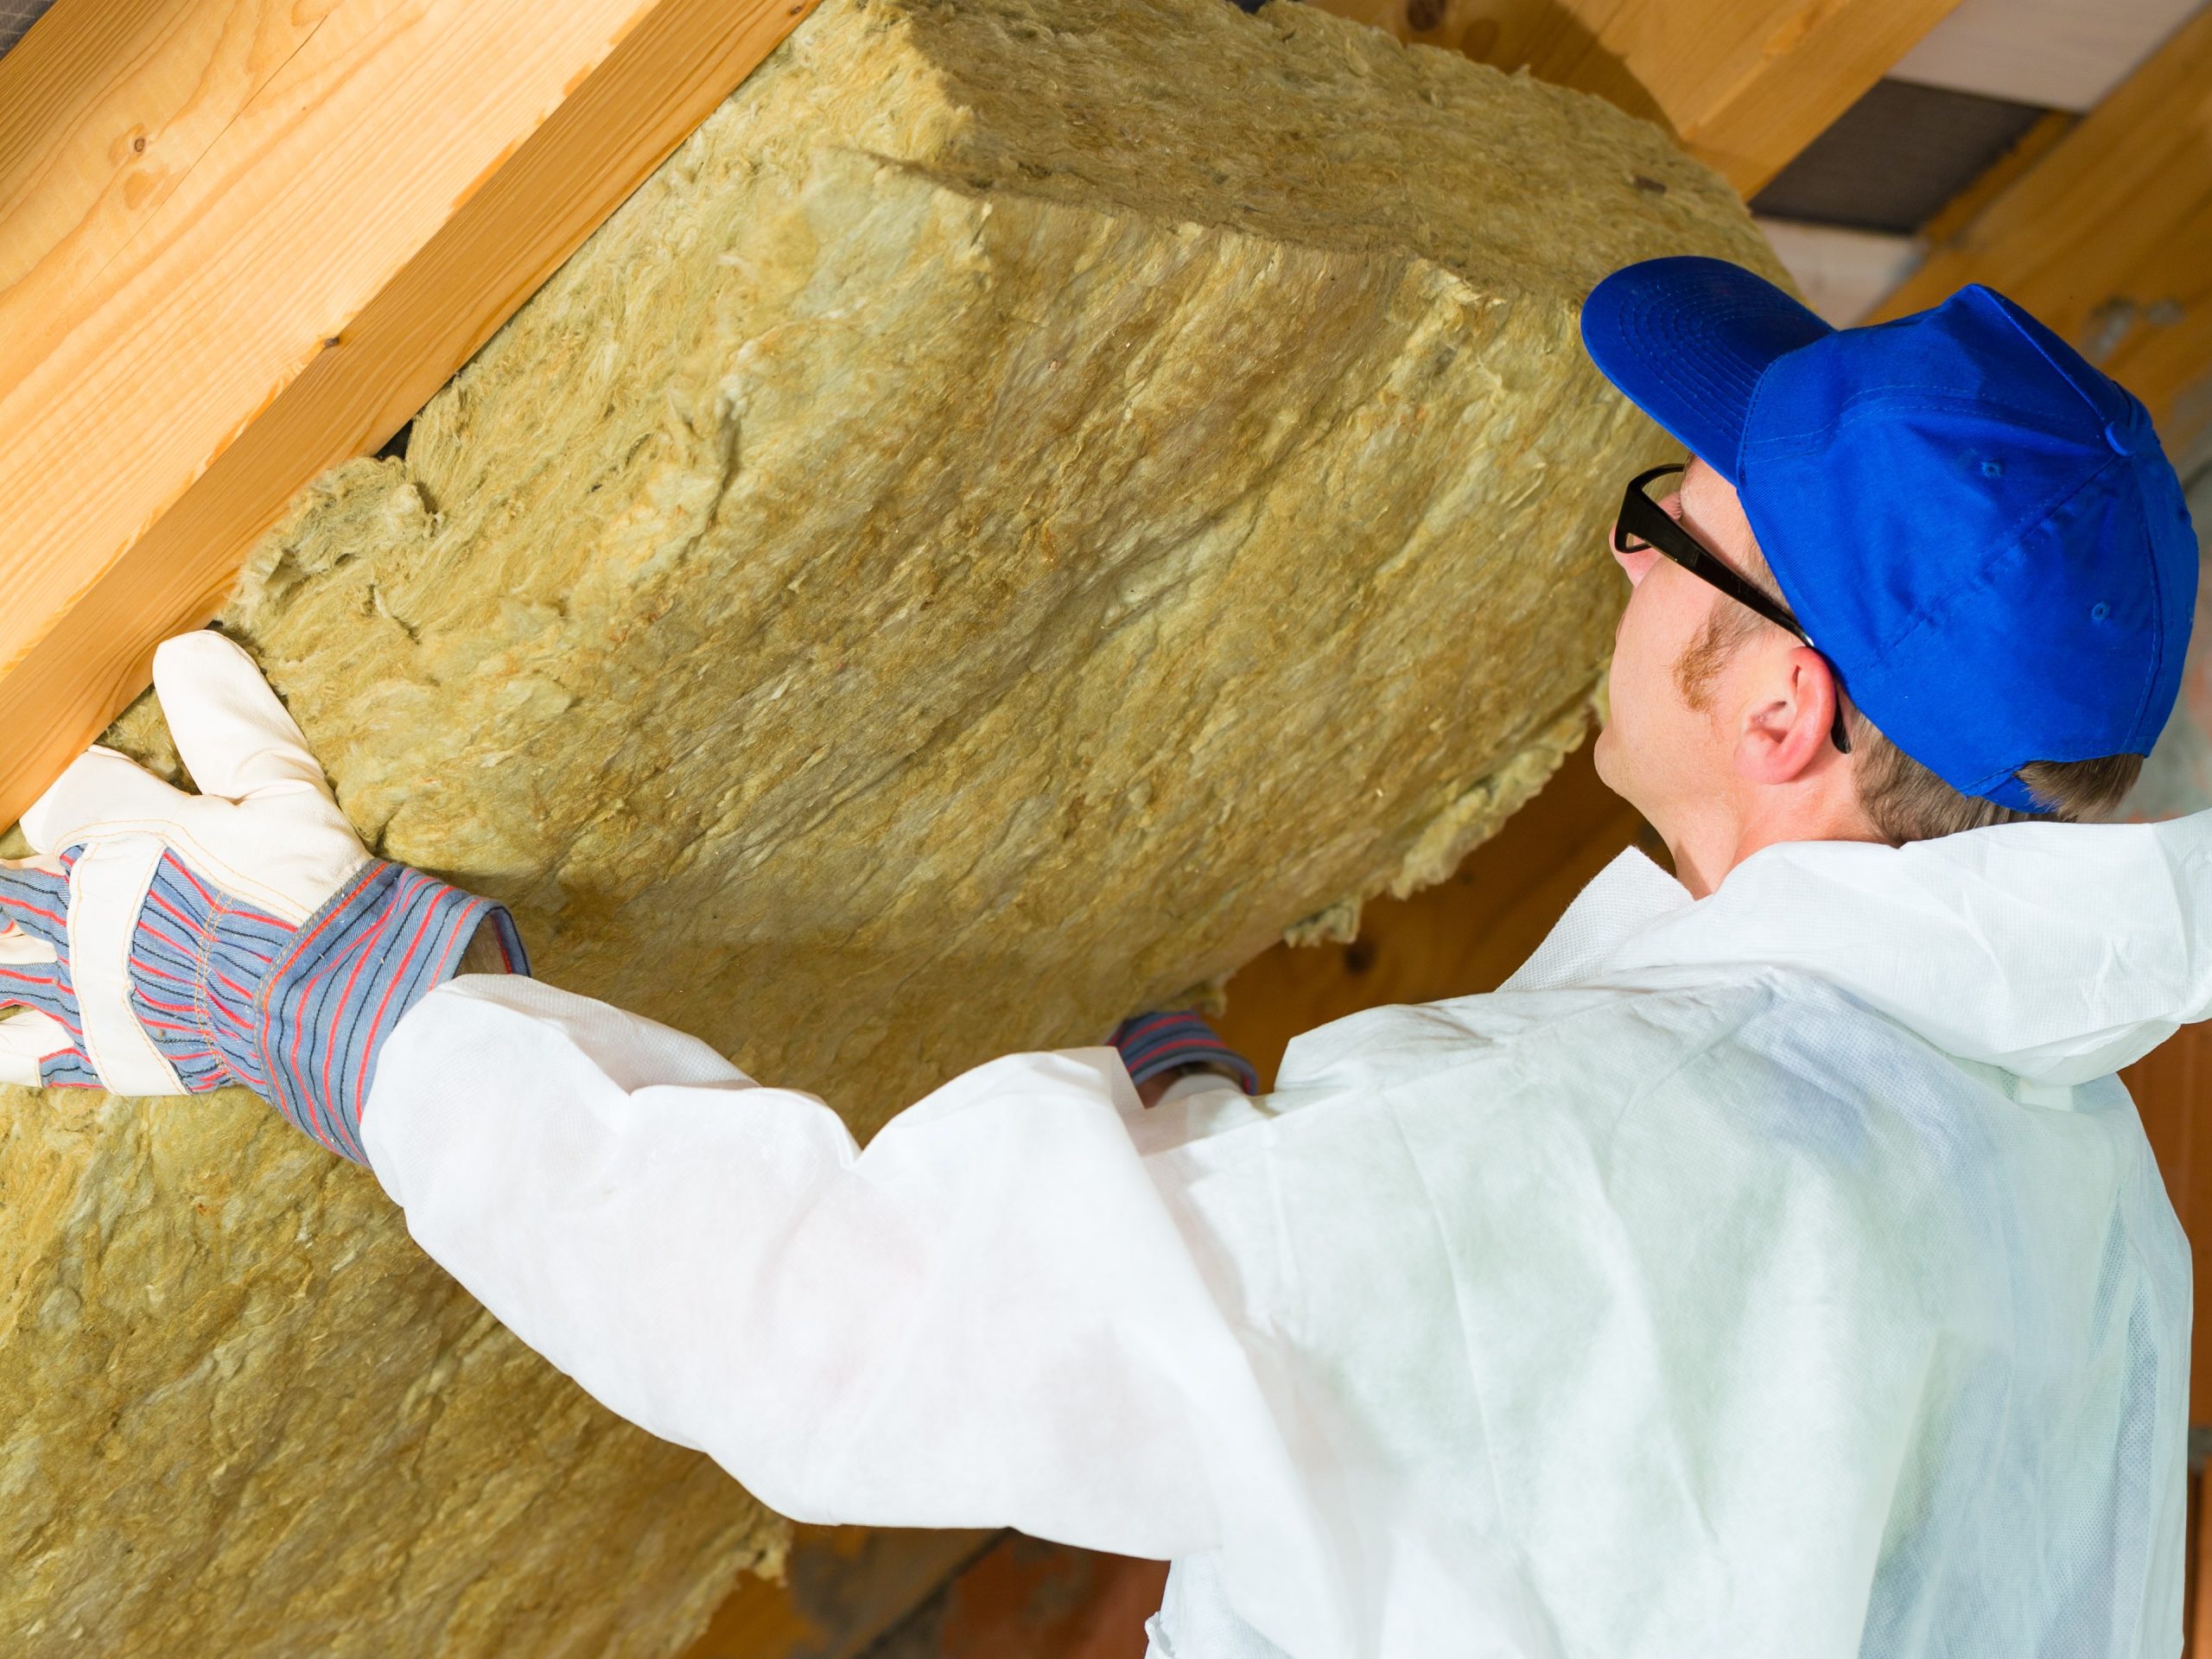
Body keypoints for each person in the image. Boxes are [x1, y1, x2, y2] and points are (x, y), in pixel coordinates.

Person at [2, 256, 2206, 1658]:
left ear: (1780, 714)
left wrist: (372, 1023)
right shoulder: (2081, 1205)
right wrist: (1286, 1234)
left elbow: (845, 1338)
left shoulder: (1589, 1153)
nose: (1619, 550)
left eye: (1663, 521)